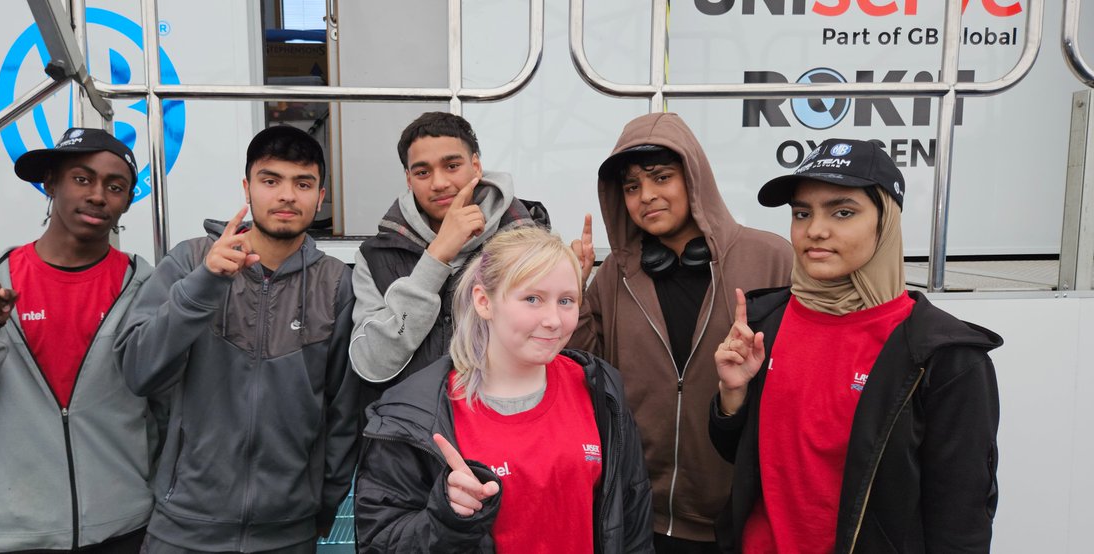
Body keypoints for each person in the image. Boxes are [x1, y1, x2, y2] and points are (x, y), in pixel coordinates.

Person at [709, 139, 1002, 553]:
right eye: (801, 213)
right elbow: (743, 459)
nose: (815, 230)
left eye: (842, 212)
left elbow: (960, 522)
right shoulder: (761, 325)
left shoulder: (947, 358)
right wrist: (731, 397)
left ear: (886, 222)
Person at [115, 125, 359, 553]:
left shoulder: (337, 284)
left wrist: (320, 503)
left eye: (303, 184)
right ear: (247, 188)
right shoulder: (191, 260)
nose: (287, 196)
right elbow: (138, 371)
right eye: (271, 181)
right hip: (182, 530)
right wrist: (204, 284)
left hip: (288, 533)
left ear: (320, 197)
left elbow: (343, 413)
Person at [0, 128, 155, 552]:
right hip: (20, 537)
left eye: (115, 186)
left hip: (127, 530)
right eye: (82, 179)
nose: (99, 195)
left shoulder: (145, 285)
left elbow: (167, 409)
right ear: (51, 183)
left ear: (126, 201)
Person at [567, 112, 792, 552]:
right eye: (632, 187)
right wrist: (570, 297)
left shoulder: (771, 258)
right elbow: (584, 372)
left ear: (694, 178)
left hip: (739, 516)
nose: (646, 196)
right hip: (639, 513)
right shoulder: (615, 273)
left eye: (660, 177)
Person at [354, 226, 653, 553]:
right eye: (532, 299)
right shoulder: (413, 413)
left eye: (566, 300)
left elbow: (631, 518)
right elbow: (379, 542)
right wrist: (447, 517)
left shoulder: (600, 390)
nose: (553, 319)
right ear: (484, 302)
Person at [349, 111, 550, 407]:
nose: (439, 182)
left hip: (504, 433)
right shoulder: (375, 256)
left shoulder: (527, 242)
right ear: (408, 179)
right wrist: (436, 256)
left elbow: (544, 346)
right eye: (422, 172)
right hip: (410, 433)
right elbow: (371, 365)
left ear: (477, 166)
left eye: (452, 165)